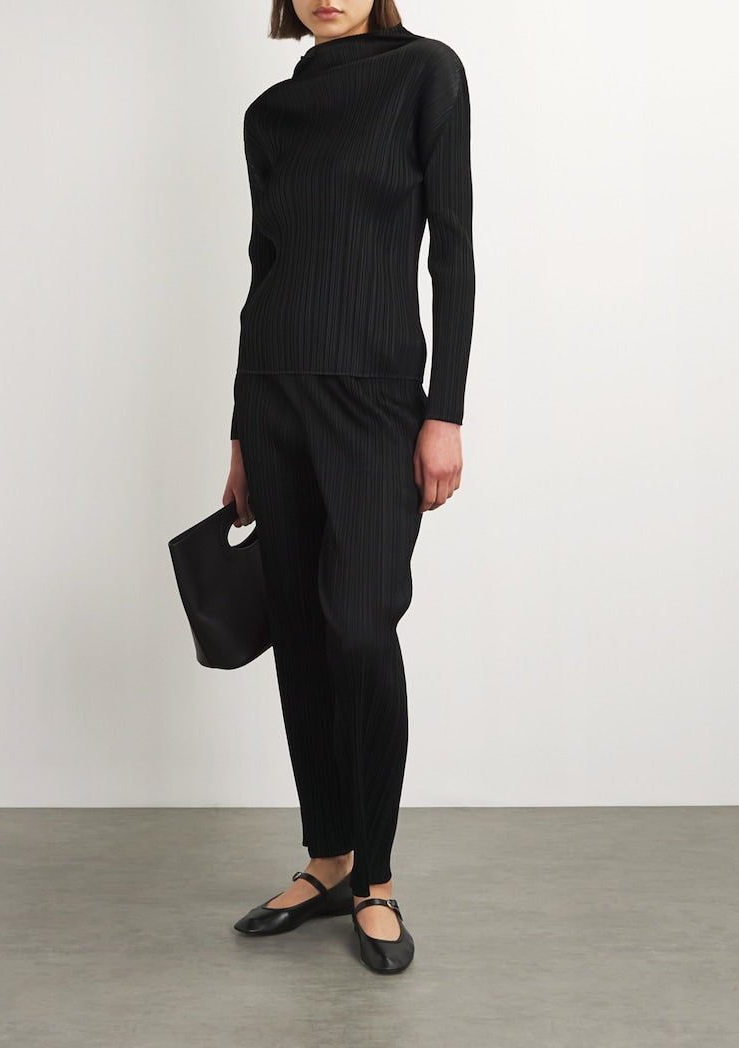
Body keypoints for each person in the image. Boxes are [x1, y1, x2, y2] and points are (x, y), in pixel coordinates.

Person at [222, 0, 474, 975]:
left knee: (360, 629)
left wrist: (443, 411)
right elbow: (264, 266)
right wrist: (239, 429)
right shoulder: (269, 114)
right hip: (274, 395)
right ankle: (326, 856)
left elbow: (452, 249)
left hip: (375, 402)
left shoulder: (426, 73)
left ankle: (375, 875)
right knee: (299, 631)